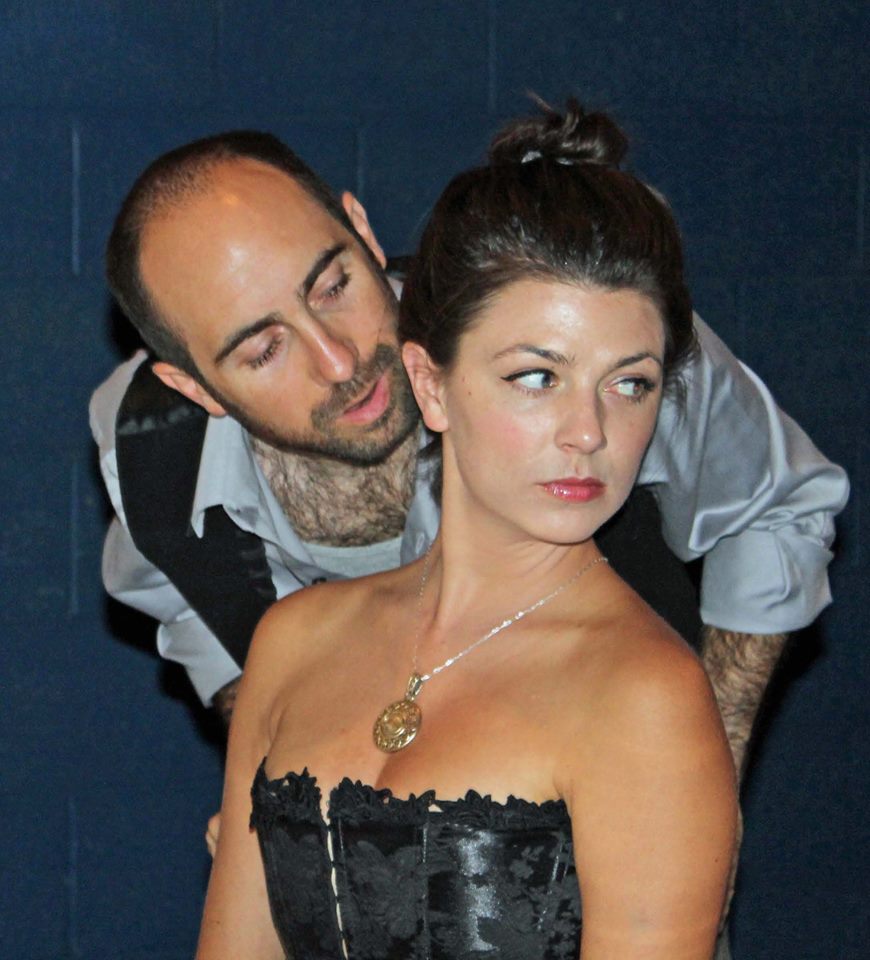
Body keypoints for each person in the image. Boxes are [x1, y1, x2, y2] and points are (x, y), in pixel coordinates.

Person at [90, 118, 847, 790]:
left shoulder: (577, 331)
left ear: (362, 229)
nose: (339, 359)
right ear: (194, 386)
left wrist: (702, 778)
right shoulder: (151, 452)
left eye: (333, 285)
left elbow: (779, 505)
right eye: (264, 349)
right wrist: (268, 763)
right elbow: (179, 597)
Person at [196, 100, 738, 959]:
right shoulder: (293, 641)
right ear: (431, 385)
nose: (589, 431)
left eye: (629, 383)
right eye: (537, 377)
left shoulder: (644, 693)